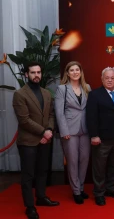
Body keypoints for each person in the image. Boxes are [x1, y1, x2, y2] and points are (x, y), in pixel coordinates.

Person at [13, 62, 59, 219]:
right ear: (27, 74)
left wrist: (50, 130)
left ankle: (41, 197)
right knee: (28, 174)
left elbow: (51, 115)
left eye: (38, 72)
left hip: (45, 139)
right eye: (33, 72)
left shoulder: (46, 93)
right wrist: (44, 132)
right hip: (28, 142)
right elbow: (24, 120)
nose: (36, 75)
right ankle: (29, 206)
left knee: (42, 171)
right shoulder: (20, 94)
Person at [86, 67, 114, 206]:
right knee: (99, 167)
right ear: (102, 79)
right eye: (107, 78)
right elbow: (91, 117)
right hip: (101, 139)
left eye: (112, 78)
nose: (109, 80)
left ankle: (110, 188)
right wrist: (94, 135)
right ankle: (99, 193)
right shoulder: (95, 95)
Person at [55, 61, 91, 204]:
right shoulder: (62, 89)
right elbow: (59, 112)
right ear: (67, 73)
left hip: (85, 130)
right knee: (72, 162)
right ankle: (76, 191)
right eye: (72, 70)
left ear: (81, 72)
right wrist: (64, 131)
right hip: (69, 130)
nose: (75, 72)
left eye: (77, 69)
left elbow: (91, 109)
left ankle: (81, 188)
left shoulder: (87, 87)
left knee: (84, 160)